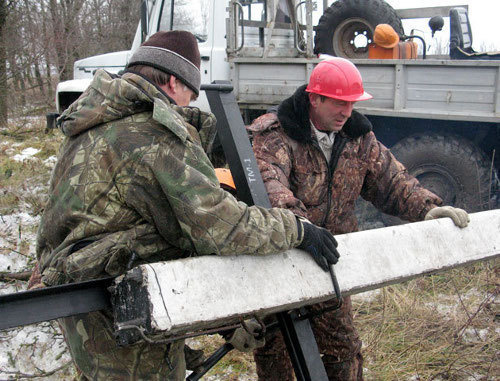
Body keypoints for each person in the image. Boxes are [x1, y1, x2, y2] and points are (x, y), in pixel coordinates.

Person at [34, 31, 340, 380]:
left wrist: (205, 130)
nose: (187, 107)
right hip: (121, 315)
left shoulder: (95, 122)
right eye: (189, 97)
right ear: (172, 81)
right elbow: (222, 228)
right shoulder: (154, 138)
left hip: (85, 310)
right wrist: (298, 230)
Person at [249, 57, 469, 381]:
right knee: (276, 350)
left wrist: (427, 208)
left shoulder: (358, 137)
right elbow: (269, 185)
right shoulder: (276, 135)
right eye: (339, 102)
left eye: (351, 103)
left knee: (343, 350)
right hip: (281, 257)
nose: (346, 112)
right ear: (314, 98)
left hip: (332, 262)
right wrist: (300, 227)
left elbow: (391, 182)